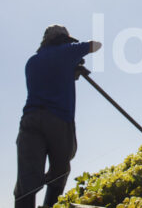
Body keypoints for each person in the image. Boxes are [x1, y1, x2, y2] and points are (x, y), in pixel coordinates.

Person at [14, 25, 102, 208]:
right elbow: (96, 45)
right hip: (58, 119)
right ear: (63, 39)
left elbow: (50, 76)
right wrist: (74, 61)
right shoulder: (67, 51)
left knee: (27, 176)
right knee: (60, 169)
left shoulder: (32, 61)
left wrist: (70, 70)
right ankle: (51, 205)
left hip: (30, 120)